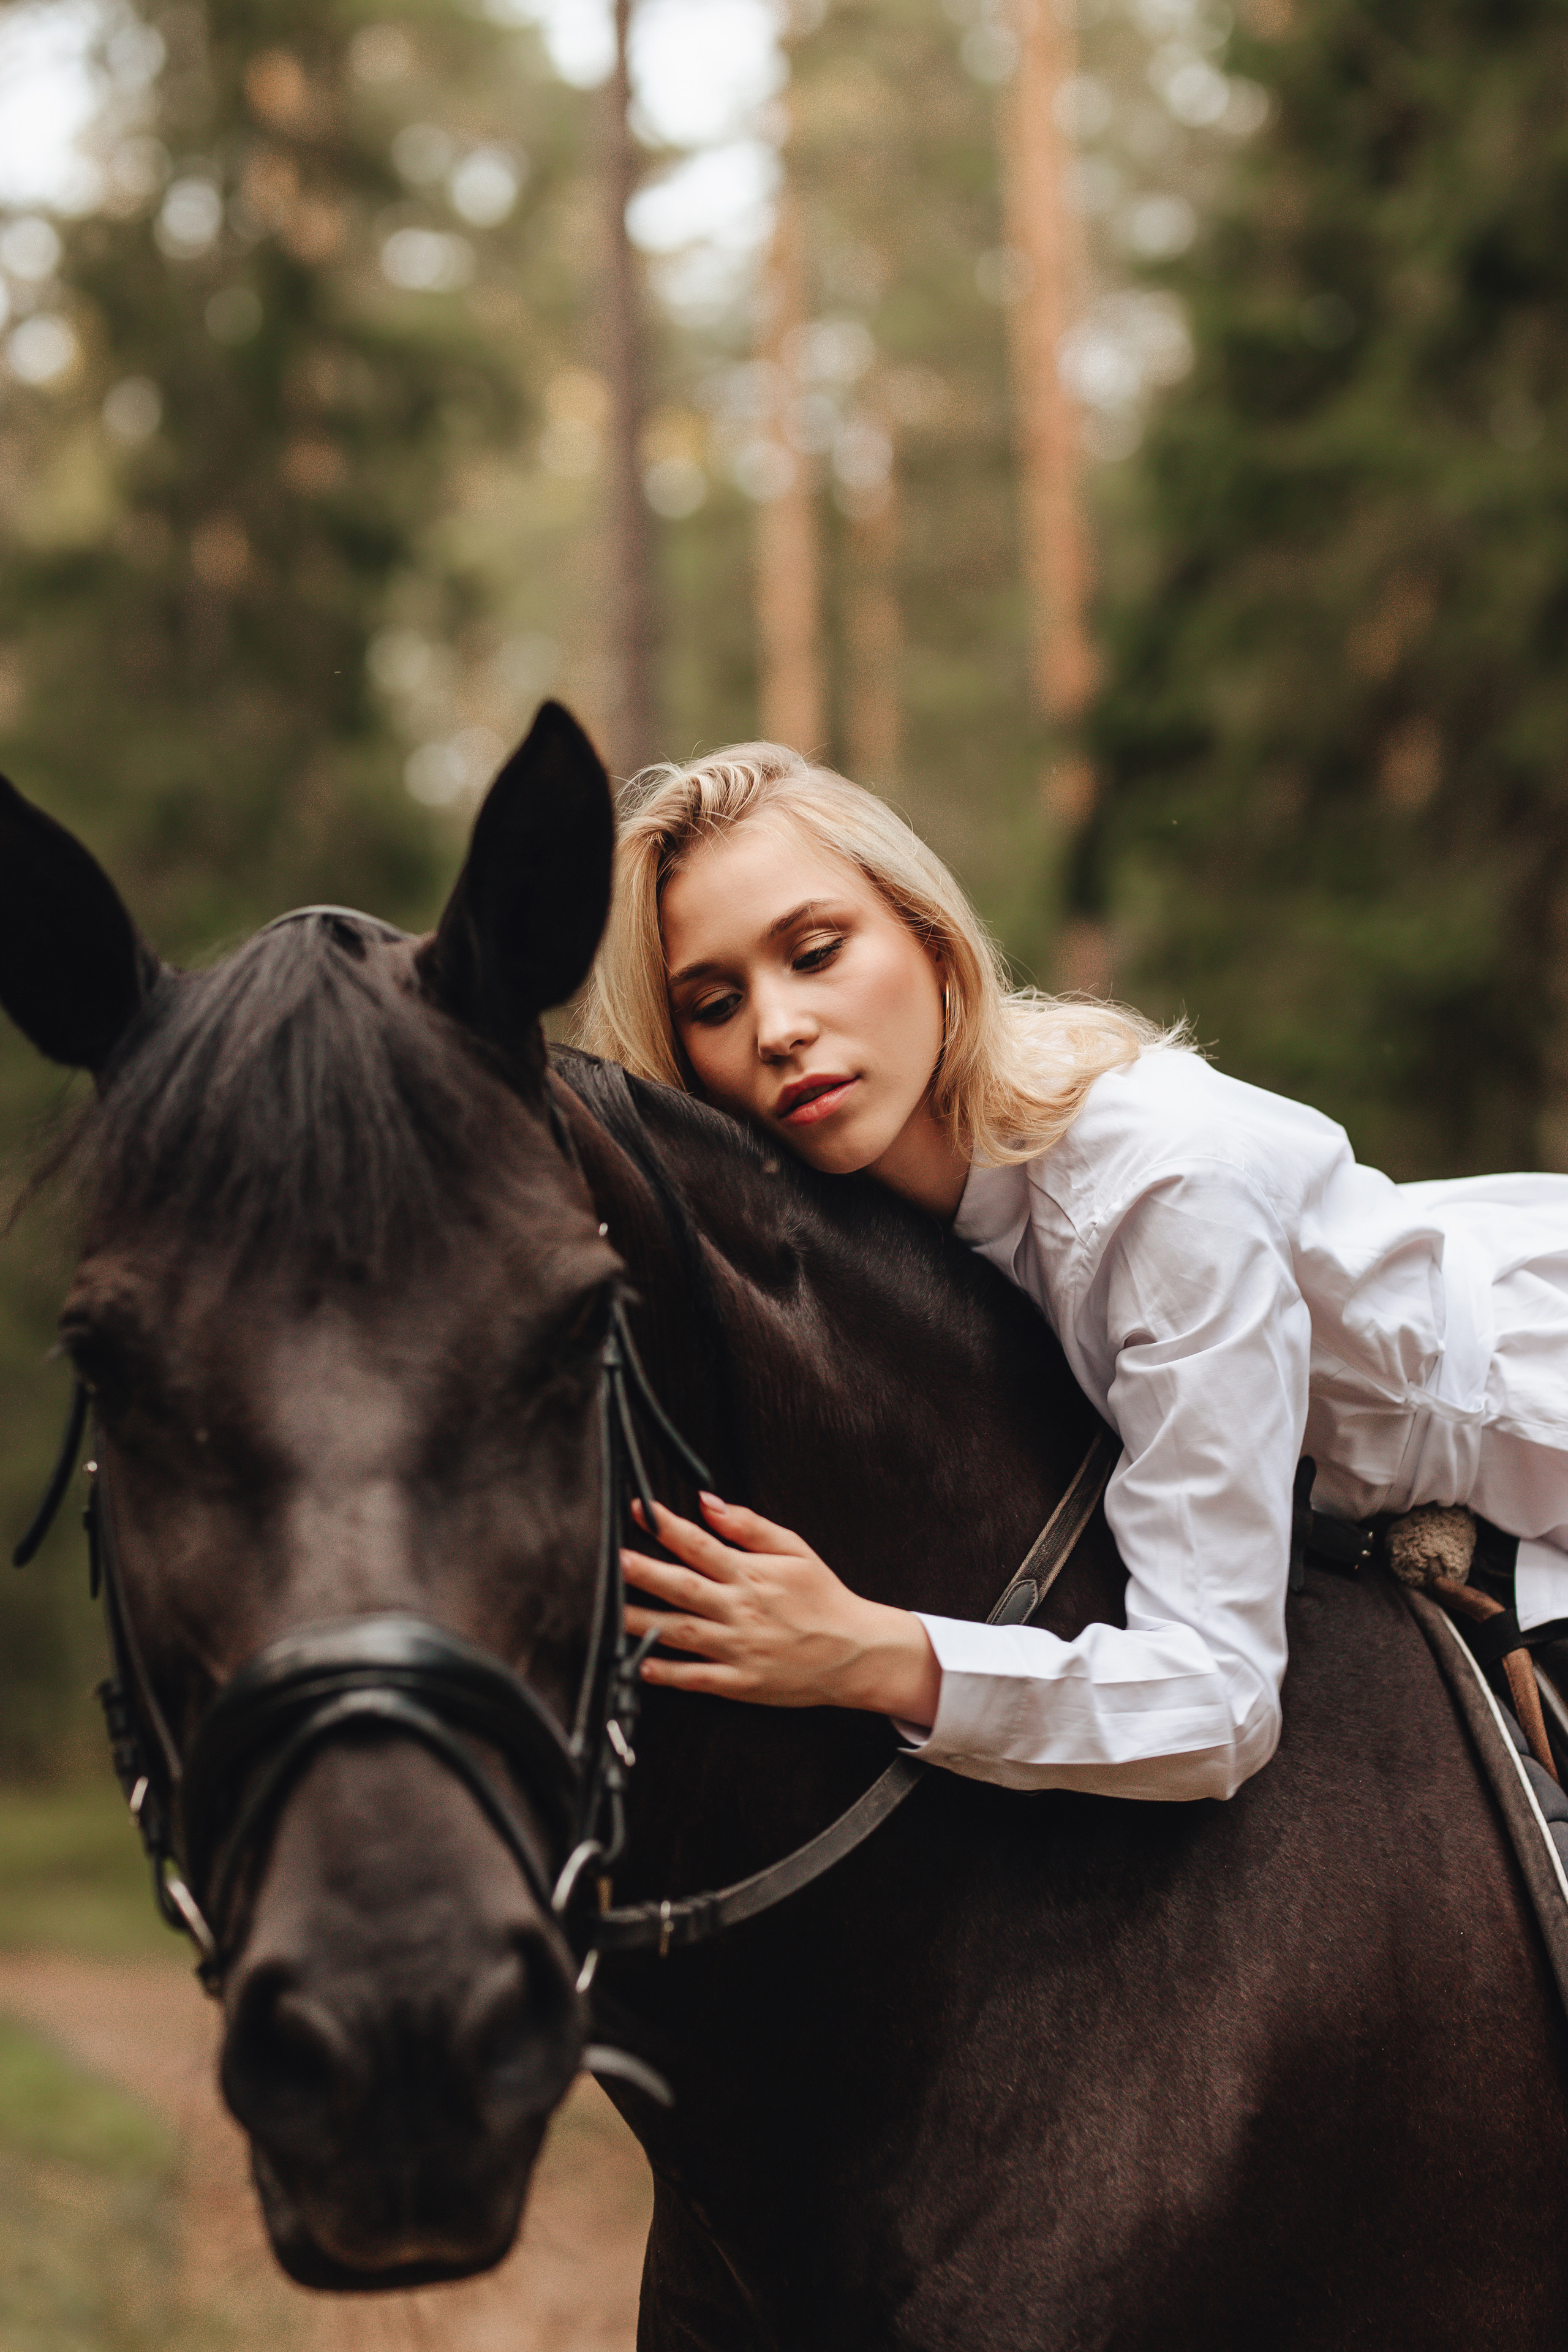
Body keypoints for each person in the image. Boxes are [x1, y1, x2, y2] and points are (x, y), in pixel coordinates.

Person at [575, 742, 1568, 1803]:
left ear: (929, 937)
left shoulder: (1158, 1194)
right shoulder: (884, 1229)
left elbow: (1221, 1703)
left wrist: (862, 1653)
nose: (779, 1029)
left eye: (816, 951)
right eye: (715, 1005)